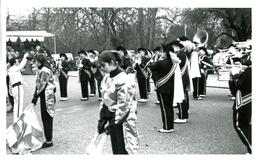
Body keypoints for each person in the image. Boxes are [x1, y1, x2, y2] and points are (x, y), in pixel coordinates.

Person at [97, 50, 138, 154]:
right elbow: (105, 99)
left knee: (125, 149)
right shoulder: (107, 77)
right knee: (116, 149)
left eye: (103, 65)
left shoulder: (124, 79)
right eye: (99, 66)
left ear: (111, 62)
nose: (101, 68)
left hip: (124, 121)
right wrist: (103, 118)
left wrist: (114, 123)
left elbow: (124, 105)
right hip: (114, 118)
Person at [148, 44, 180, 133]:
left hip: (163, 87)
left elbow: (150, 67)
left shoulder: (160, 62)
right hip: (171, 87)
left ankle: (167, 127)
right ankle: (170, 126)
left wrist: (156, 58)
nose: (161, 53)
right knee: (169, 107)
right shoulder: (173, 62)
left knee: (164, 108)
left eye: (162, 52)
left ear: (166, 53)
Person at [31, 53, 56, 149]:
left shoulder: (44, 70)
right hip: (46, 95)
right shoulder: (42, 69)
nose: (34, 62)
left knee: (47, 118)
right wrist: (35, 96)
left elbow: (41, 86)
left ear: (39, 61)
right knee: (46, 118)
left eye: (35, 60)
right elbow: (39, 85)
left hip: (47, 97)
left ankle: (49, 141)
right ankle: (49, 139)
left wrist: (35, 97)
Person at [233, 64, 251, 154]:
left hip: (245, 101)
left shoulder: (250, 70)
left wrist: (236, 75)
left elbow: (239, 84)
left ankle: (252, 148)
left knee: (240, 125)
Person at [8, 52, 29, 122]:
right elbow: (21, 65)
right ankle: (18, 121)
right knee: (19, 105)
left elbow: (18, 78)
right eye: (16, 61)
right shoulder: (14, 68)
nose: (17, 61)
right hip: (17, 88)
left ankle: (16, 120)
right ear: (14, 63)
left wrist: (23, 82)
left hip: (16, 87)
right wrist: (25, 57)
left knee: (17, 104)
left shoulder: (12, 69)